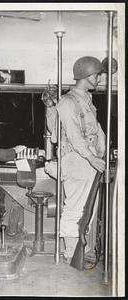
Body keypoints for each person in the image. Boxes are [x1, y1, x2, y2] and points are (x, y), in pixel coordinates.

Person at [45, 56, 106, 263]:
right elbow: (73, 134)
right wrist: (91, 157)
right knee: (76, 208)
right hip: (77, 159)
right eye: (97, 75)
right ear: (88, 76)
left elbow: (95, 131)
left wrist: (100, 153)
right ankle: (71, 253)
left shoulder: (86, 100)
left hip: (89, 159)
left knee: (88, 207)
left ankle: (81, 248)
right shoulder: (68, 102)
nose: (99, 79)